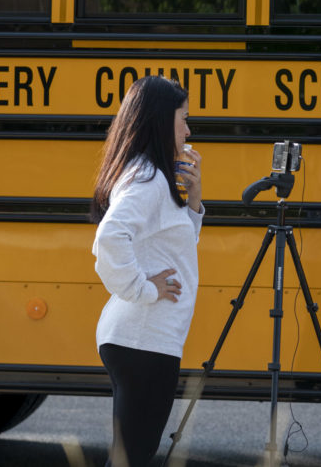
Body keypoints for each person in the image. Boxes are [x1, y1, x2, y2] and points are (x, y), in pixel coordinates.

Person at [90, 76, 204, 467]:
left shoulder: (151, 173)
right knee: (131, 458)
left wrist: (195, 200)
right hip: (144, 339)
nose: (188, 130)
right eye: (183, 119)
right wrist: (144, 290)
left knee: (131, 456)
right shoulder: (150, 178)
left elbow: (175, 247)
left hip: (145, 338)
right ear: (160, 120)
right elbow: (109, 239)